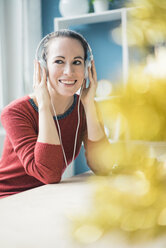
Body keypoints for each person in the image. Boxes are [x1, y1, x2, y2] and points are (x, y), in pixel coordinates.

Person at [0, 29, 106, 199]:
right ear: (43, 67)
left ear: (87, 68)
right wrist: (44, 105)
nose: (69, 71)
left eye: (77, 62)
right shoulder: (15, 113)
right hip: (9, 199)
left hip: (45, 195)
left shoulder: (85, 107)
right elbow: (49, 174)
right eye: (59, 61)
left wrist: (89, 105)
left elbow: (104, 166)